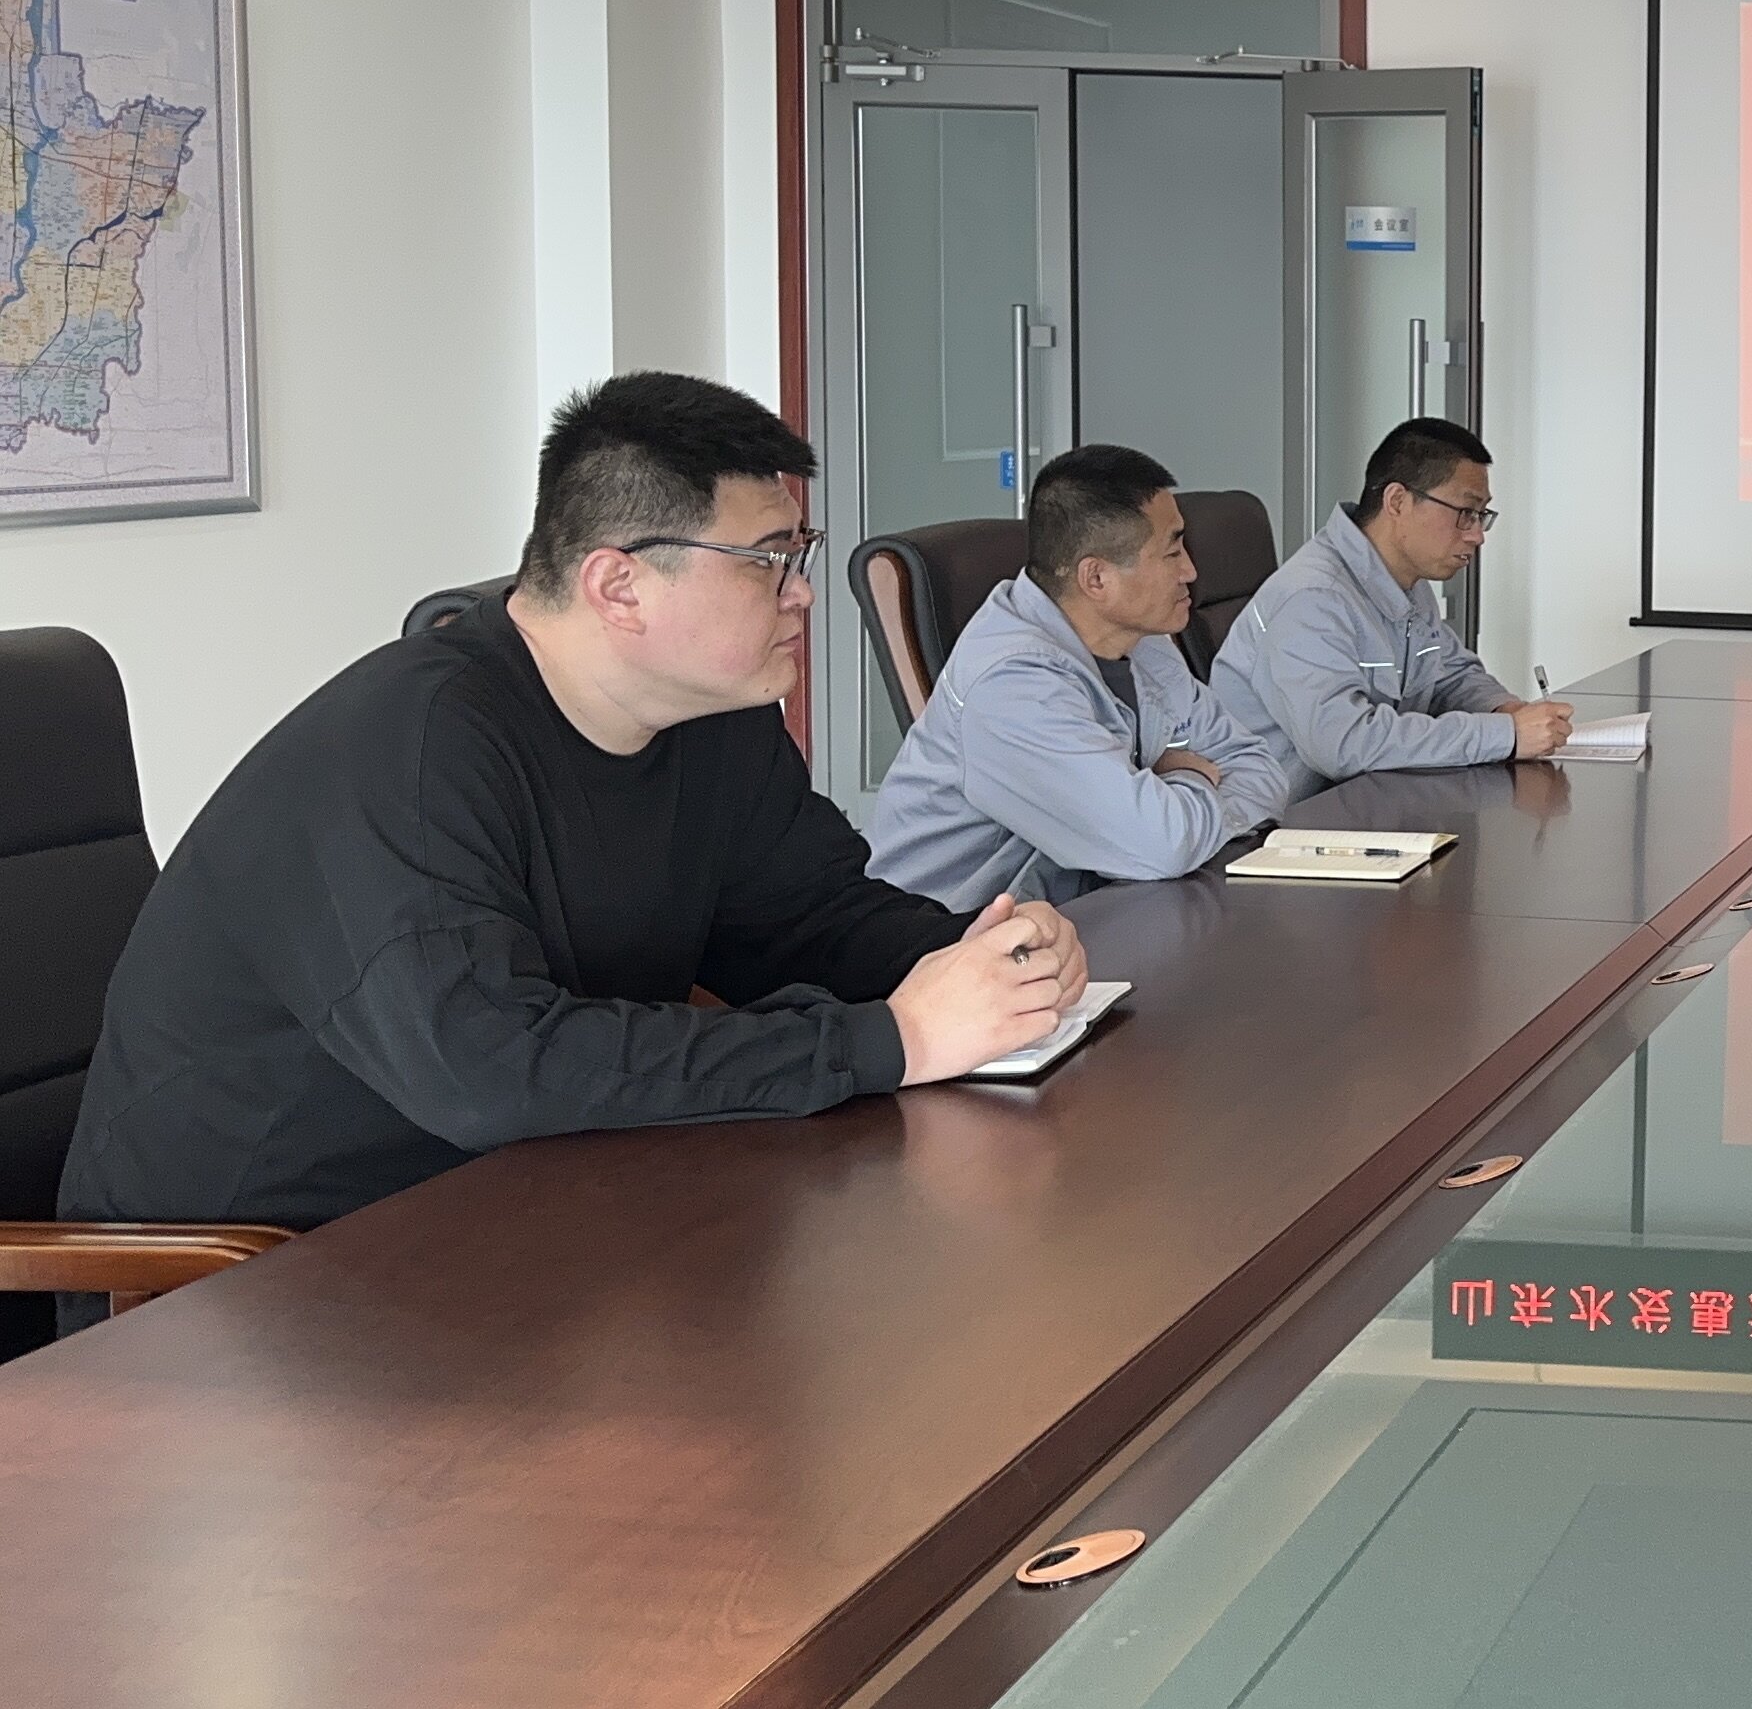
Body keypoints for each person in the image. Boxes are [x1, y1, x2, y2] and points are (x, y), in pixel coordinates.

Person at [59, 373, 1086, 1241]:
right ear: (619, 586)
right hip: (242, 1282)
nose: (803, 593)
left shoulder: (710, 719)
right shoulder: (413, 750)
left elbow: (809, 922)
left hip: (516, 1205)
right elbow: (489, 1068)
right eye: (770, 561)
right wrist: (889, 1041)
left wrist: (984, 959)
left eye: (800, 554)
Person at [866, 443, 1296, 910]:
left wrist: (1165, 802)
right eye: (1172, 552)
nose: (1190, 571)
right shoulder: (1011, 686)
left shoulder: (1142, 644)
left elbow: (1259, 767)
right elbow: (1161, 845)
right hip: (954, 937)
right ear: (1096, 579)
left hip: (1091, 911)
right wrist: (1191, 775)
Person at [1216, 417, 1571, 789]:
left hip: (1372, 800)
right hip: (1294, 816)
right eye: (1466, 513)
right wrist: (1505, 735)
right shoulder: (1312, 598)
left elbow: (1449, 674)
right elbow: (1343, 744)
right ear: (1397, 501)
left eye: (1481, 516)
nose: (1477, 535)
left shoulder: (1407, 581)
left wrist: (1505, 710)